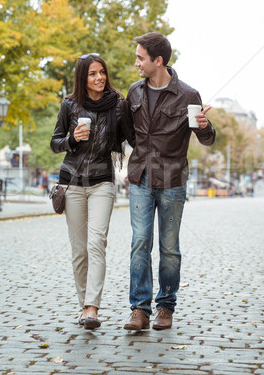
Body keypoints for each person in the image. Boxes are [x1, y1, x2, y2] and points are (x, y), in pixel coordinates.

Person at [123, 32, 216, 331]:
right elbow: (128, 133)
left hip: (173, 179)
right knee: (140, 242)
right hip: (140, 177)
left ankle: (165, 306)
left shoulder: (188, 96)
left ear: (158, 60)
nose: (136, 62)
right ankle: (139, 310)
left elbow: (207, 139)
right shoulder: (134, 93)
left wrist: (205, 125)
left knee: (169, 247)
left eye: (140, 58)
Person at [50, 53, 129, 330]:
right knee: (79, 250)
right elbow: (55, 142)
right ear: (82, 78)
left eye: (102, 72)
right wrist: (72, 139)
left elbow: (133, 134)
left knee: (97, 243)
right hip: (72, 183)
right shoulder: (70, 105)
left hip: (101, 182)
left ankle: (93, 307)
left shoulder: (117, 105)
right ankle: (84, 306)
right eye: (92, 74)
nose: (99, 78)